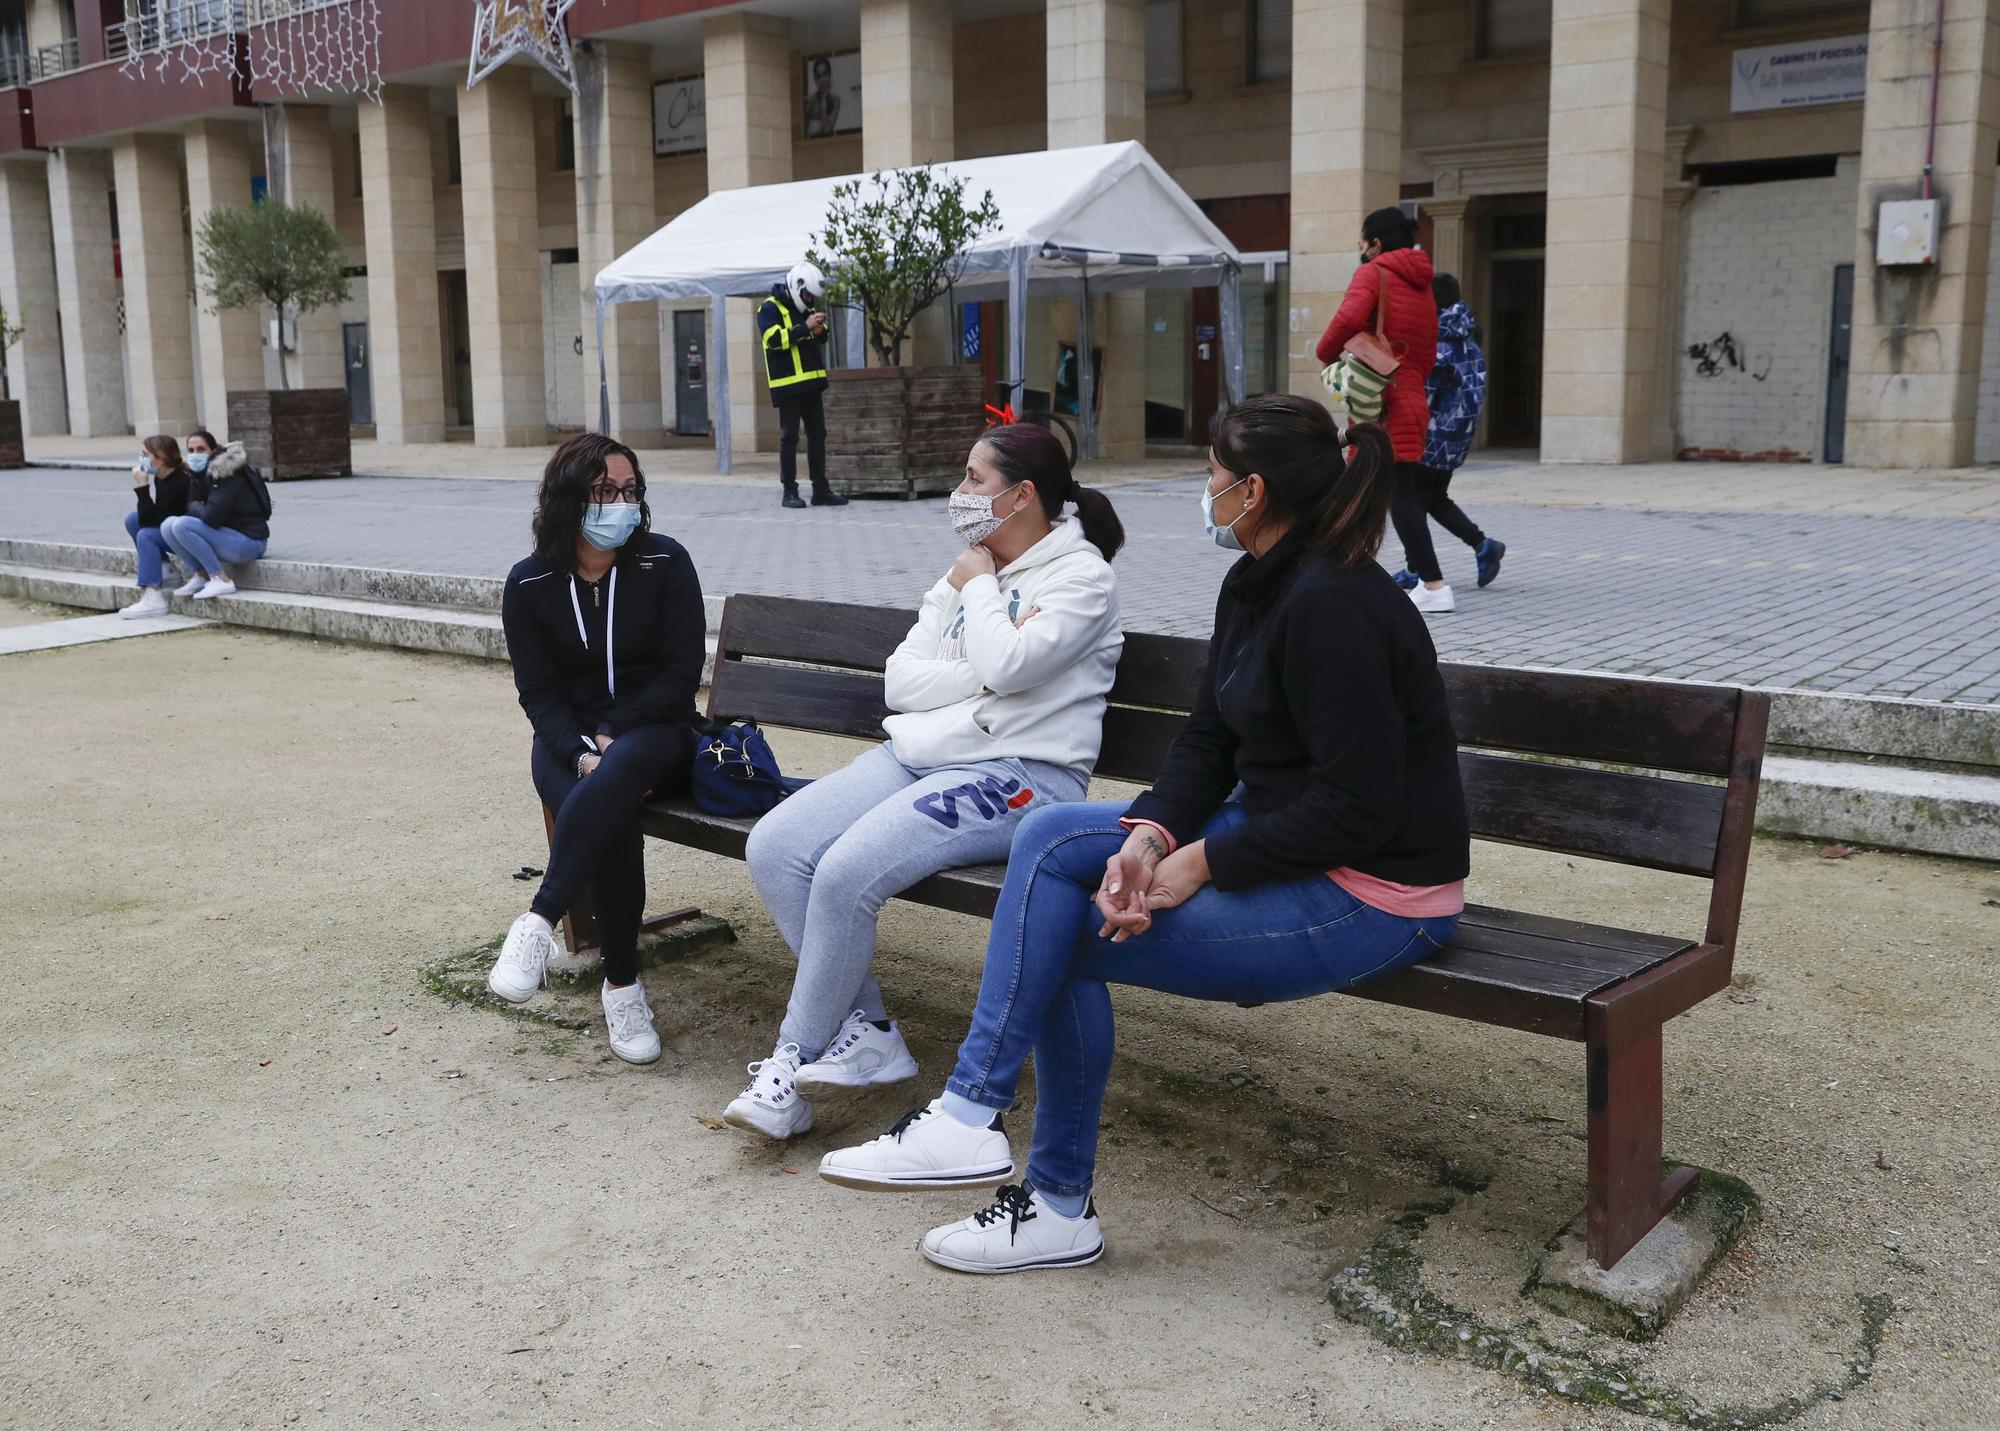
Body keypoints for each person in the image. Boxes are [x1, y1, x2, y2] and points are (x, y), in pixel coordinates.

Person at [818, 397, 1470, 1274]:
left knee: (1064, 939)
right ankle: (969, 1120)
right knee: (1048, 840)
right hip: (1280, 835)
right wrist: (1152, 838)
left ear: (1254, 491)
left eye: (1210, 474)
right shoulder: (1256, 580)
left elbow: (1360, 808)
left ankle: (1047, 1197)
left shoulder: (1338, 606)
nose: (1202, 490)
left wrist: (1203, 861)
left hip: (1375, 891)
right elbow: (1209, 739)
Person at [724, 422, 1126, 1140]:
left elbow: (1008, 668)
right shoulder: (968, 565)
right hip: (920, 754)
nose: (960, 493)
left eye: (975, 479)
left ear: (1022, 494)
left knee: (845, 870)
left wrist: (978, 600)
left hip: (1019, 778)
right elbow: (904, 682)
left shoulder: (1081, 578)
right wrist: (982, 661)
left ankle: (791, 1059)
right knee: (777, 844)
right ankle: (870, 1032)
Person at [489, 434, 706, 1066]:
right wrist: (585, 753)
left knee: (627, 764)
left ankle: (540, 918)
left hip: (656, 734)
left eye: (630, 490)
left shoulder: (664, 562)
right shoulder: (529, 583)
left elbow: (679, 672)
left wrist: (615, 734)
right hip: (568, 746)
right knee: (610, 818)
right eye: (605, 492)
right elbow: (540, 695)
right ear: (567, 498)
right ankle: (623, 988)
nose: (621, 503)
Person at [1313, 207, 1446, 613]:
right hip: (1410, 397)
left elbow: (1350, 317)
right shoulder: (1424, 286)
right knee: (1385, 490)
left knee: (1380, 491)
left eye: (1363, 242)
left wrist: (1324, 353)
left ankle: (1433, 585)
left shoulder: (1374, 273)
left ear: (1377, 243)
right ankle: (1414, 580)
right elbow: (1426, 350)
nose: (1362, 250)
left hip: (1383, 403)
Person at [1392, 273, 1504, 595]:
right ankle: (1482, 546)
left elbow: (1421, 397)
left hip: (1431, 438)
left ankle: (1420, 570)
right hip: (1457, 437)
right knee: (1431, 498)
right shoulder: (1467, 337)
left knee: (1410, 501)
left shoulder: (1437, 344)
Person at [758, 260, 847, 510]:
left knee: (818, 435)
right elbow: (774, 340)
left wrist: (819, 330)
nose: (810, 300)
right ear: (797, 288)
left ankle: (820, 490)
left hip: (811, 384)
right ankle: (789, 491)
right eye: (807, 294)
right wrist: (805, 327)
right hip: (788, 387)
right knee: (789, 437)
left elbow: (823, 335)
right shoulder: (769, 309)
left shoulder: (805, 308)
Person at [158, 439, 270, 600]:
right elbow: (194, 511)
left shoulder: (227, 473)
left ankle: (220, 579)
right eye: (191, 450)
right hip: (228, 538)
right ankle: (202, 575)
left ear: (214, 450)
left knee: (182, 525)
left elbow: (211, 517)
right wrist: (196, 502)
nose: (195, 454)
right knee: (168, 525)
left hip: (251, 543)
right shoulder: (199, 475)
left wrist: (195, 505)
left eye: (201, 449)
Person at [119, 434, 193, 619]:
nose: (141, 458)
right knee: (132, 520)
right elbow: (150, 517)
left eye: (146, 454)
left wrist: (142, 486)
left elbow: (153, 520)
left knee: (146, 535)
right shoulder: (163, 478)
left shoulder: (180, 482)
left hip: (187, 536)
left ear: (160, 459)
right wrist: (143, 488)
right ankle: (165, 569)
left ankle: (154, 596)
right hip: (171, 529)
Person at [804, 56, 841, 139]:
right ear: (815, 79)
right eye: (818, 76)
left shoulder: (836, 100)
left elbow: (826, 130)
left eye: (825, 74)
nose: (822, 80)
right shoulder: (810, 101)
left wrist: (824, 100)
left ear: (829, 75)